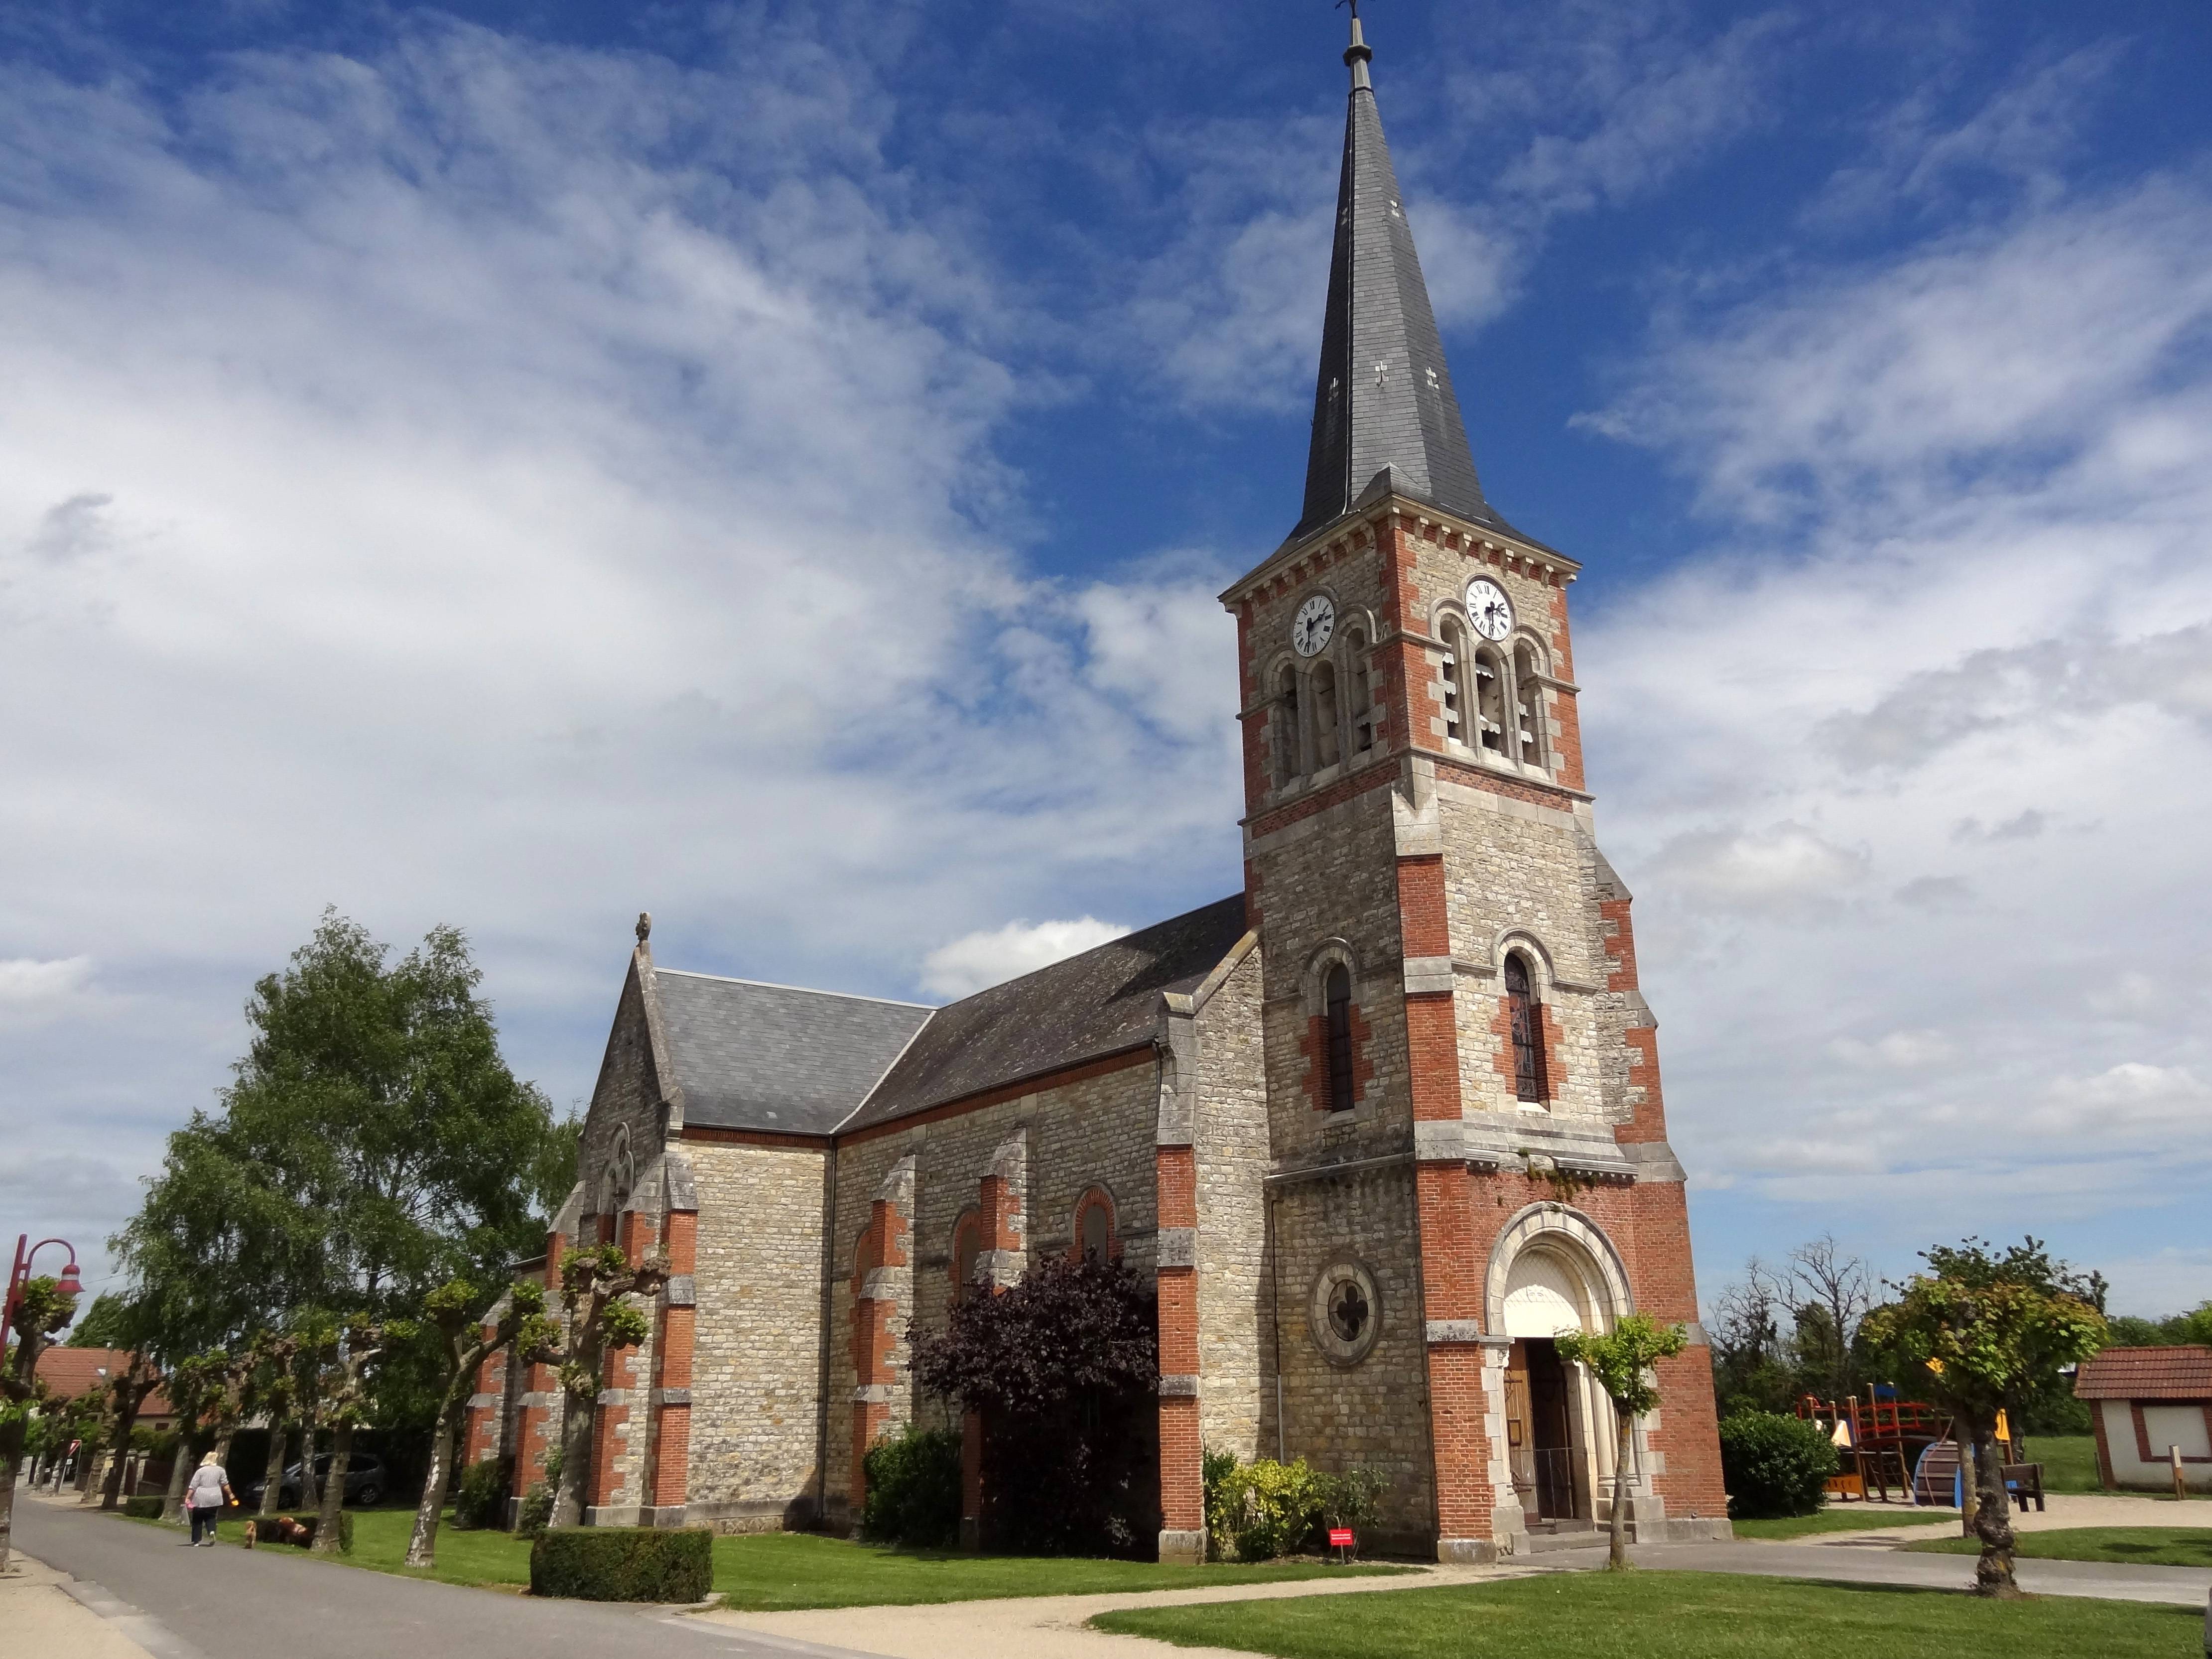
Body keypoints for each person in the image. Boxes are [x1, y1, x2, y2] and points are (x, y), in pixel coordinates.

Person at [184, 1451, 234, 1547]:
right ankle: (212, 1531)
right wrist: (231, 1495)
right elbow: (225, 1484)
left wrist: (188, 1498)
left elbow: (193, 1486)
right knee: (211, 1517)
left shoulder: (201, 1471)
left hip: (201, 1497)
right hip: (215, 1497)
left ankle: (196, 1540)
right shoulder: (221, 1470)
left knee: (198, 1519)